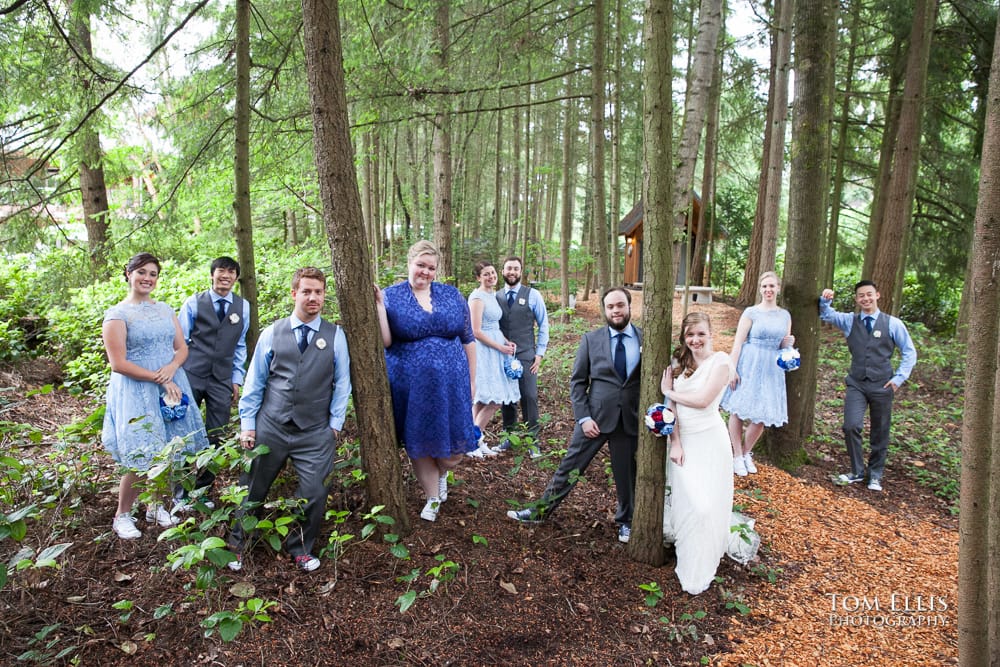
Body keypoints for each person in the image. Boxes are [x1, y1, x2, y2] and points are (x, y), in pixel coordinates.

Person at [228, 267, 351, 572]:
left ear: (324, 295)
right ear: (295, 293)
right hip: (271, 425)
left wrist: (334, 425)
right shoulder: (272, 333)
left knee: (314, 491)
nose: (313, 297)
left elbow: (343, 383)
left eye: (319, 292)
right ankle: (237, 544)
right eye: (307, 291)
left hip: (314, 431)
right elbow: (254, 382)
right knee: (252, 488)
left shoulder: (335, 336)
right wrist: (248, 425)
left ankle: (300, 548)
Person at [507, 287, 641, 544]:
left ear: (629, 306)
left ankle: (626, 521)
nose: (615, 311)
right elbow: (578, 383)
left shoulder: (644, 339)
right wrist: (584, 418)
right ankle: (540, 511)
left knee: (626, 475)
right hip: (594, 419)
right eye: (610, 306)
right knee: (569, 467)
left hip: (628, 422)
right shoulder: (592, 340)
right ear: (604, 309)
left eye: (620, 305)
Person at [101, 252, 210, 540]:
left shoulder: (165, 309)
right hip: (137, 389)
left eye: (153, 274)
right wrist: (157, 378)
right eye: (141, 272)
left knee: (169, 447)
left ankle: (156, 505)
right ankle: (122, 514)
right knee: (141, 451)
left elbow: (181, 347)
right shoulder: (118, 315)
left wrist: (172, 368)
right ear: (128, 274)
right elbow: (118, 363)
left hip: (172, 385)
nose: (147, 278)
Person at [375, 241, 479, 522]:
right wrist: (378, 307)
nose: (426, 271)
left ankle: (442, 472)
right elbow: (386, 341)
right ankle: (432, 497)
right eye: (421, 265)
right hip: (412, 387)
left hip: (452, 386)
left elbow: (468, 339)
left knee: (453, 452)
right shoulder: (391, 296)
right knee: (419, 439)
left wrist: (472, 380)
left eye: (431, 267)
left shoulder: (451, 294)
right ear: (409, 263)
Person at [661, 312, 735, 595]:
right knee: (689, 503)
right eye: (690, 335)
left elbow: (704, 401)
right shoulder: (679, 362)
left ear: (711, 333)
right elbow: (672, 408)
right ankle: (688, 558)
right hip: (685, 440)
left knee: (707, 506)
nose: (695, 340)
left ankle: (703, 563)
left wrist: (669, 391)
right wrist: (675, 442)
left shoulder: (721, 362)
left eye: (700, 334)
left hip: (711, 440)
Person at [819, 281, 917, 492]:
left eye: (869, 295)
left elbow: (909, 352)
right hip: (857, 383)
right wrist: (826, 300)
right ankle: (856, 471)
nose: (865, 299)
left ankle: (875, 475)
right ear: (856, 299)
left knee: (880, 431)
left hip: (883, 385)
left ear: (877, 295)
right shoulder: (849, 321)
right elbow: (827, 315)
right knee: (851, 425)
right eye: (861, 296)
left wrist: (899, 378)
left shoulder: (893, 324)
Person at [176, 256, 251, 506]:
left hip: (221, 379)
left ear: (236, 278)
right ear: (212, 274)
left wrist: (236, 379)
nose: (226, 276)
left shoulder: (243, 307)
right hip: (191, 375)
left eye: (231, 272)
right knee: (184, 431)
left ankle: (203, 490)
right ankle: (180, 493)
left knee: (217, 434)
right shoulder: (193, 303)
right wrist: (177, 377)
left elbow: (240, 346)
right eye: (221, 271)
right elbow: (180, 342)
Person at [721, 271, 795, 476]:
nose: (768, 290)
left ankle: (746, 453)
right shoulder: (751, 312)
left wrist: (788, 344)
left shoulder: (785, 315)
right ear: (760, 289)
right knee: (738, 409)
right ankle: (736, 455)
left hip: (772, 367)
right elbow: (738, 342)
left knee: (762, 414)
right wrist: (732, 368)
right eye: (764, 286)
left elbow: (783, 343)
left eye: (772, 286)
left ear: (778, 288)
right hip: (750, 362)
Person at [496, 256, 549, 454]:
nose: (512, 272)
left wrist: (540, 354)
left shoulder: (533, 295)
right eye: (509, 268)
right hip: (503, 354)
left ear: (521, 272)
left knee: (529, 396)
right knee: (507, 398)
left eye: (516, 269)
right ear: (503, 271)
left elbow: (543, 324)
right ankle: (509, 436)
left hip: (527, 353)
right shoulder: (496, 296)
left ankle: (532, 440)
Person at [467, 260, 520, 458]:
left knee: (482, 400)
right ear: (478, 278)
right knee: (494, 399)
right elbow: (476, 331)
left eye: (492, 272)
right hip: (484, 351)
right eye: (486, 274)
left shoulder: (492, 295)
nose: (491, 276)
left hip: (497, 348)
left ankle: (474, 441)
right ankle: (472, 439)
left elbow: (494, 326)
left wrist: (507, 342)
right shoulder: (477, 298)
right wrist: (499, 347)